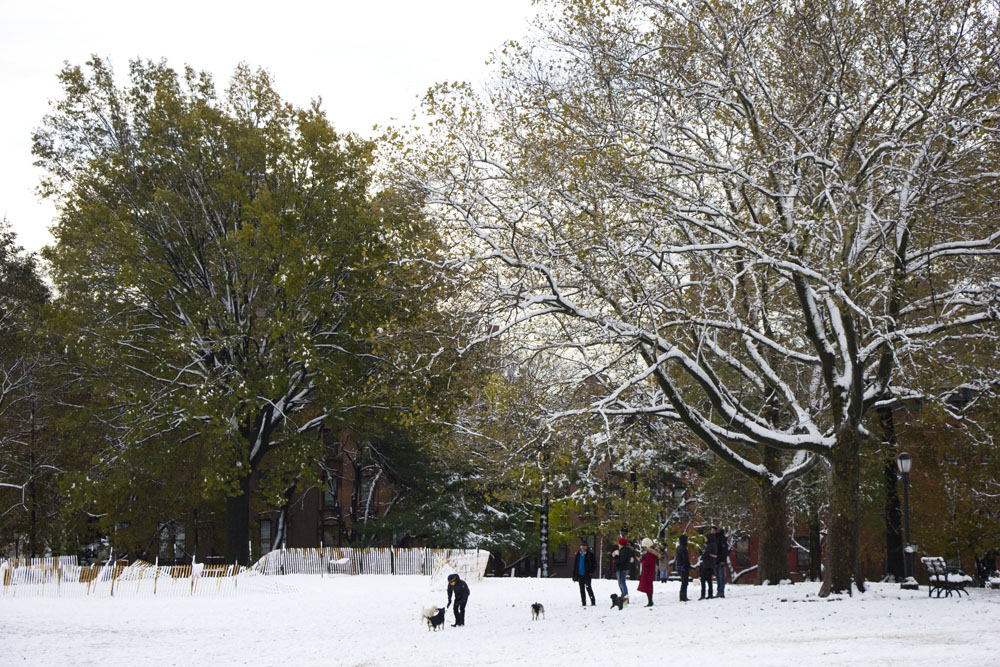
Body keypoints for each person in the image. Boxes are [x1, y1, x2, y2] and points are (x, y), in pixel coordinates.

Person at [637, 537, 660, 607]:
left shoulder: (650, 553)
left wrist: (641, 560)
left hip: (647, 572)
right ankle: (650, 601)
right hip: (649, 572)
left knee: (648, 587)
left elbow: (647, 563)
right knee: (648, 586)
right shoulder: (652, 552)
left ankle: (650, 601)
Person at [572, 542, 596, 606]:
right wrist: (574, 575)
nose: (583, 547)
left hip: (587, 574)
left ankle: (593, 601)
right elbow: (575, 565)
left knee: (588, 587)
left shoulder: (590, 555)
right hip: (580, 574)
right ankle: (583, 602)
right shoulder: (578, 554)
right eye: (582, 546)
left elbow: (594, 564)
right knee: (581, 589)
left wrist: (591, 572)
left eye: (584, 546)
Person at [612, 537, 634, 602]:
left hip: (622, 568)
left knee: (622, 582)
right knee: (621, 583)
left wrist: (615, 558)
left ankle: (625, 596)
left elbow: (622, 559)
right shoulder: (624, 550)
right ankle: (624, 595)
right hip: (622, 568)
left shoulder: (625, 550)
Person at [699, 529, 718, 600]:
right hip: (711, 564)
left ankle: (703, 594)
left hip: (707, 565)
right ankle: (710, 594)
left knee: (703, 580)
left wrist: (703, 556)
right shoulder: (714, 544)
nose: (705, 540)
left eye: (706, 538)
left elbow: (706, 554)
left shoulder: (710, 545)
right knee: (709, 580)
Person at [675, 534, 691, 602]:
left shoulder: (678, 548)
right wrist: (688, 565)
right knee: (684, 582)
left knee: (683, 581)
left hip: (679, 566)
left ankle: (683, 596)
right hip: (684, 567)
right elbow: (685, 559)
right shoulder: (683, 549)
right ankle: (683, 596)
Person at [715, 527, 729, 598]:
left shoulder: (721, 539)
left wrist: (722, 560)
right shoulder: (720, 539)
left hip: (718, 561)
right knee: (719, 577)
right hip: (718, 560)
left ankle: (720, 591)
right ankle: (720, 591)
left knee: (720, 577)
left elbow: (724, 551)